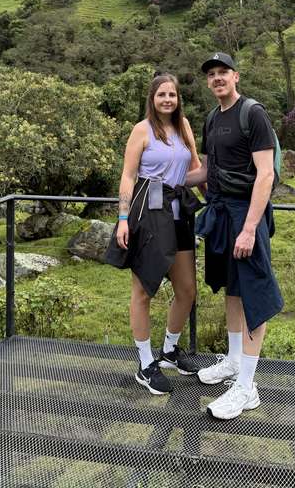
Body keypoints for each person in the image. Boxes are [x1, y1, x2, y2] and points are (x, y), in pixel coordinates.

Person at [186, 52, 283, 420]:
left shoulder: (252, 114)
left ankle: (246, 387)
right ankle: (232, 361)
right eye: (211, 74)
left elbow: (265, 176)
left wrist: (248, 229)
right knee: (232, 287)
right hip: (222, 211)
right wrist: (166, 178)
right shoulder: (213, 118)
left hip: (247, 215)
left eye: (222, 72)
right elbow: (207, 170)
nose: (216, 78)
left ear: (236, 76)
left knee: (254, 294)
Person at [106, 72, 203, 395]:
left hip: (178, 214)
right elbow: (128, 176)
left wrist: (222, 176)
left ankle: (170, 351)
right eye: (161, 94)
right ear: (152, 98)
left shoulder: (184, 127)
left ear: (178, 99)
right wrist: (123, 219)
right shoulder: (142, 130)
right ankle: (145, 363)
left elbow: (193, 170)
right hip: (149, 214)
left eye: (172, 95)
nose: (167, 100)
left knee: (187, 289)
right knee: (144, 290)